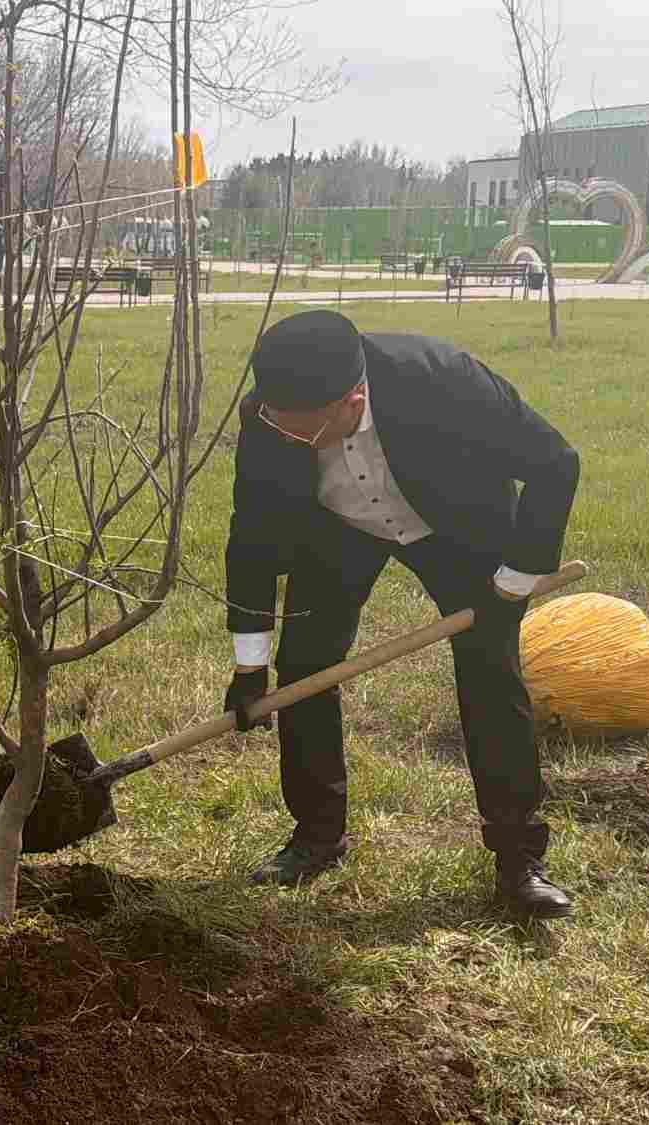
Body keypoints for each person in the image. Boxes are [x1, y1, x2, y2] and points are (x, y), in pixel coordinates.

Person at [221, 309, 580, 917]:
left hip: (458, 528)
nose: (285, 438)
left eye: (303, 434)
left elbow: (555, 462)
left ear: (352, 398)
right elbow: (252, 536)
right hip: (336, 529)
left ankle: (518, 858)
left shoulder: (445, 381)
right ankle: (316, 838)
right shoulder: (271, 416)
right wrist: (248, 665)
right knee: (305, 668)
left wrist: (514, 582)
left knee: (490, 675)